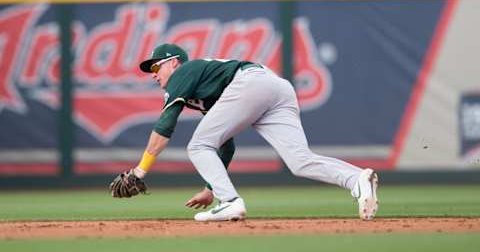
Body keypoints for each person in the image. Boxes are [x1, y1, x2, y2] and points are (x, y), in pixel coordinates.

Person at [110, 43, 379, 221]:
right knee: (299, 161)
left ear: (175, 63)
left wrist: (140, 171)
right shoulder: (201, 89)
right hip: (276, 88)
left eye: (156, 67)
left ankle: (231, 201)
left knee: (197, 145)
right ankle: (357, 179)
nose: (153, 74)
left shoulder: (184, 73)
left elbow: (166, 122)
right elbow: (227, 146)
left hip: (250, 82)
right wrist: (210, 188)